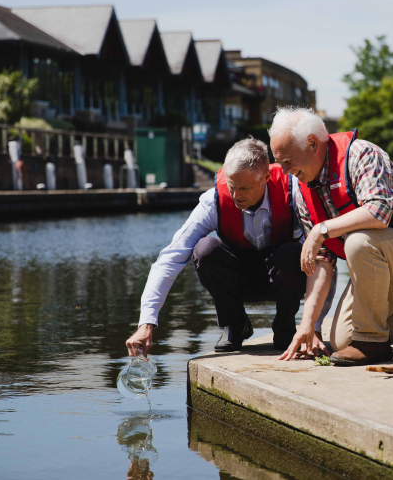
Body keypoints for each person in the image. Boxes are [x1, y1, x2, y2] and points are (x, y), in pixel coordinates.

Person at [270, 107, 393, 366]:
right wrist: (308, 326)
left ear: (312, 143)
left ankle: (373, 344)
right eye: (280, 162)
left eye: (287, 161)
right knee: (343, 341)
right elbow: (321, 260)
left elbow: (377, 213)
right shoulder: (301, 188)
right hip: (377, 262)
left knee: (358, 240)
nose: (285, 170)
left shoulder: (361, 154)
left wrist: (321, 230)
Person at [125, 137, 334, 359]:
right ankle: (235, 324)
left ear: (266, 177)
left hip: (283, 277)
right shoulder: (213, 200)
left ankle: (285, 327)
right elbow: (170, 258)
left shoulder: (294, 190)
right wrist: (146, 322)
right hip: (237, 280)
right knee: (205, 250)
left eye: (244, 187)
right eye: (232, 186)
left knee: (294, 253)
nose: (236, 195)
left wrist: (315, 326)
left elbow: (326, 255)